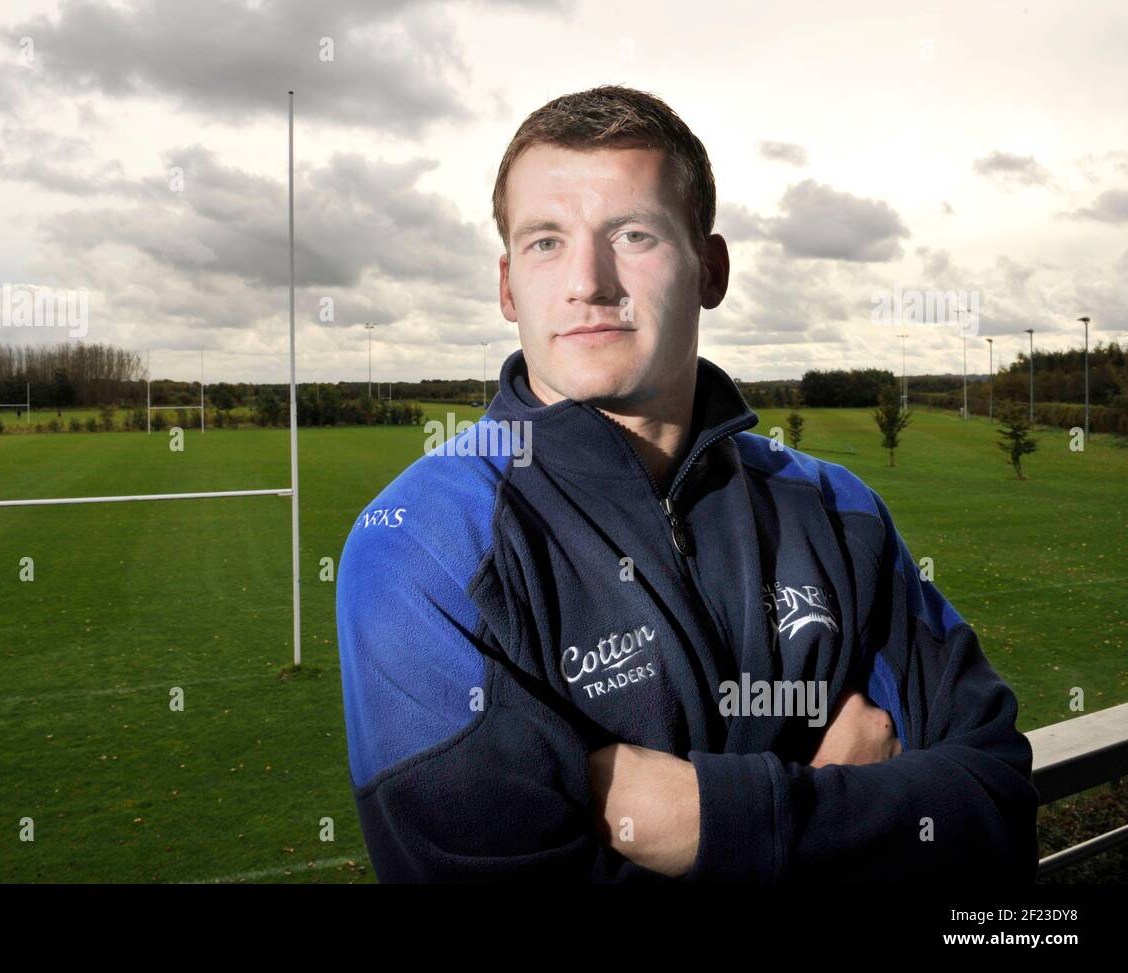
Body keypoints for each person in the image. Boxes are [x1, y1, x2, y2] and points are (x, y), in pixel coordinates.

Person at [334, 85, 1039, 883]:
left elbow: (996, 807)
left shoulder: (838, 512)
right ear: (506, 287)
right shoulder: (422, 547)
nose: (588, 282)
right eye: (545, 243)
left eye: (631, 234)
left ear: (710, 267)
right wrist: (835, 803)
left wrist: (704, 817)